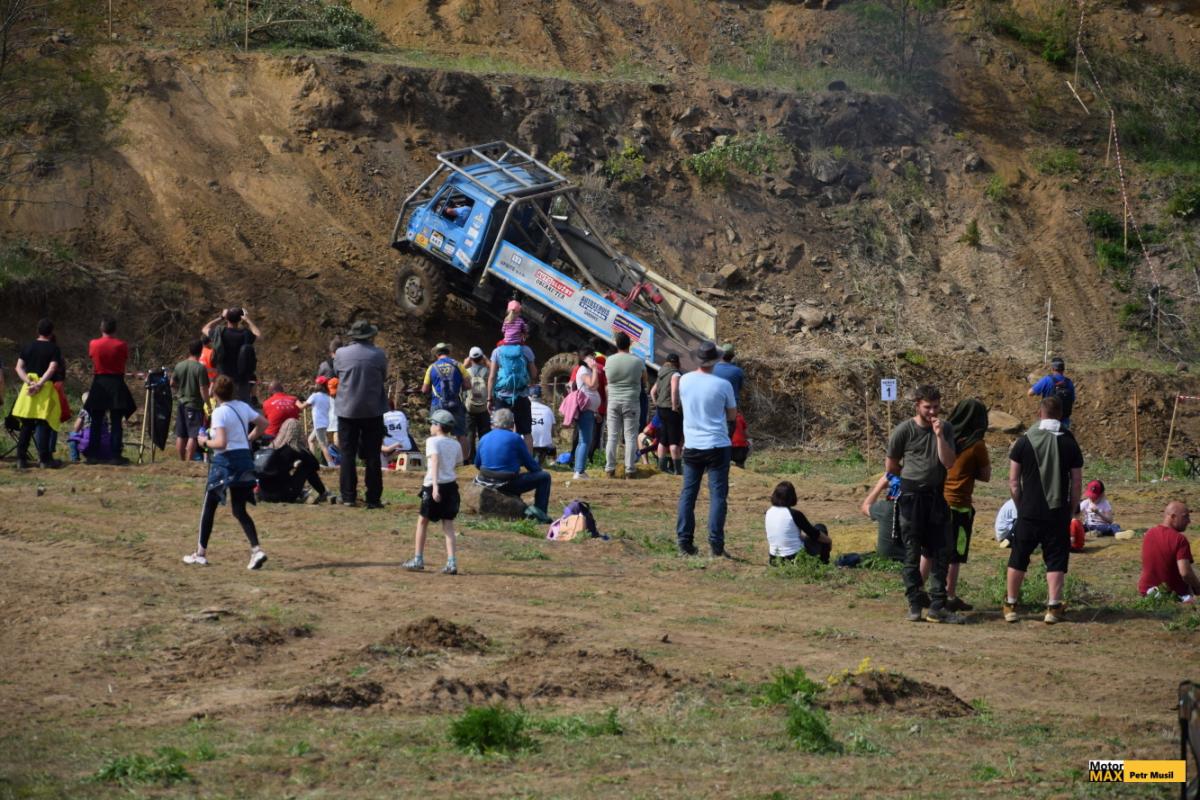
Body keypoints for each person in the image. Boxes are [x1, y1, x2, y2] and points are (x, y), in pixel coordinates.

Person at [1004, 396, 1084, 624]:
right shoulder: (1069, 442)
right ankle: (1053, 608)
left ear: (1040, 413)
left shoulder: (1024, 441)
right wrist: (1071, 509)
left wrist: (1021, 506)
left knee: (1019, 556)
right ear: (1061, 415)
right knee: (1056, 558)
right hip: (1057, 511)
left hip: (1029, 510)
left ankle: (1010, 605)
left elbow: (1013, 482)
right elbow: (1077, 482)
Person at [885, 384, 957, 623]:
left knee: (941, 551)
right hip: (911, 498)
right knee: (911, 552)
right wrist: (909, 480)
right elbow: (891, 466)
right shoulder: (903, 430)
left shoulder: (946, 429)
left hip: (936, 497)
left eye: (936, 406)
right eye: (927, 407)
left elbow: (948, 463)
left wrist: (939, 436)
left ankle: (937, 604)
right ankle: (915, 603)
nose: (932, 412)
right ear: (917, 405)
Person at [184, 375, 268, 569]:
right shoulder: (242, 406)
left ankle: (200, 553)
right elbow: (263, 424)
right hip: (244, 460)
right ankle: (256, 550)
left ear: (214, 393)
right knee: (239, 510)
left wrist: (204, 442)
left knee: (209, 506)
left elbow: (221, 443)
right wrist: (248, 439)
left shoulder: (219, 413)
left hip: (225, 463)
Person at [675, 341, 737, 558]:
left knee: (688, 494)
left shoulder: (684, 380)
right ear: (716, 360)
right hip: (717, 444)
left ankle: (684, 541)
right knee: (718, 496)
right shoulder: (723, 385)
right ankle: (716, 545)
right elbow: (732, 415)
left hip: (692, 444)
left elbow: (679, 404)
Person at [936, 398, 991, 612]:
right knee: (955, 554)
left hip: (937, 499)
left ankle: (924, 592)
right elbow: (986, 475)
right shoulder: (976, 445)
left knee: (932, 550)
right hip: (959, 503)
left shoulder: (944, 437)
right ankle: (949, 595)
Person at [334, 320, 389, 509]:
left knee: (347, 454)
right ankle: (373, 498)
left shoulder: (341, 353)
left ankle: (348, 496)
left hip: (347, 410)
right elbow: (383, 377)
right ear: (370, 336)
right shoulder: (379, 354)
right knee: (373, 455)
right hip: (373, 410)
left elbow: (337, 374)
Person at [403, 409, 464, 575]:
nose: (430, 426)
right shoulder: (456, 444)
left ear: (438, 426)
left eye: (432, 423)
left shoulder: (432, 441)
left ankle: (418, 559)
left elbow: (435, 461)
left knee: (423, 521)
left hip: (433, 485)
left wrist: (435, 487)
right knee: (448, 524)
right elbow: (459, 461)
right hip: (451, 486)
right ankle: (451, 562)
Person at [474, 408, 553, 523]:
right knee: (545, 477)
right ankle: (540, 514)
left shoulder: (484, 438)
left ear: (493, 424)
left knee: (514, 472)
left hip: (485, 481)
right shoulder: (515, 438)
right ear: (512, 424)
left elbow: (477, 464)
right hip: (506, 482)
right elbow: (532, 466)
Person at [82, 317, 136, 465]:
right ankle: (115, 455)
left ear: (101, 328)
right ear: (115, 329)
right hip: (116, 382)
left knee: (96, 421)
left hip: (99, 382)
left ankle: (93, 455)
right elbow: (124, 359)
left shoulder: (94, 343)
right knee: (116, 422)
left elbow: (92, 356)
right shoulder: (121, 345)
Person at [13, 319, 64, 469]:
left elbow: (18, 367)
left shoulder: (28, 346)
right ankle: (44, 459)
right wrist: (40, 383)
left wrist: (29, 382)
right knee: (44, 423)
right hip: (44, 388)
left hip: (29, 389)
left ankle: (21, 459)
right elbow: (52, 368)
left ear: (38, 331)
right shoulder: (54, 348)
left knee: (27, 424)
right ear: (51, 332)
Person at [603, 331, 646, 478]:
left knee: (612, 437)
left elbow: (607, 379)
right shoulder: (637, 361)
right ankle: (629, 470)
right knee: (630, 437)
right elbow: (644, 380)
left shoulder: (609, 360)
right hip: (631, 401)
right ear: (630, 344)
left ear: (616, 344)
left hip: (613, 401)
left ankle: (609, 468)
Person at [1138, 501, 1200, 601]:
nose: (1189, 521)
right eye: (1185, 517)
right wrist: (1198, 588)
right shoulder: (1179, 539)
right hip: (1171, 594)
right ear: (1173, 517)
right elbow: (1185, 573)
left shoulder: (1149, 533)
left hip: (1146, 591)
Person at [257, 419, 328, 504]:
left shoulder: (272, 447)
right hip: (283, 495)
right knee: (307, 466)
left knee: (283, 474)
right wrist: (305, 450)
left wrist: (291, 465)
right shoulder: (295, 449)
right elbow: (315, 465)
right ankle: (323, 492)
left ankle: (315, 492)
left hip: (263, 494)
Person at [487, 338, 539, 451]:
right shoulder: (526, 350)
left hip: (502, 397)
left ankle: (500, 457)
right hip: (521, 396)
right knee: (526, 433)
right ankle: (527, 460)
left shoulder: (497, 351)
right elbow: (534, 374)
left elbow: (492, 377)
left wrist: (489, 398)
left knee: (499, 431)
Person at [201, 307, 262, 403]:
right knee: (242, 407)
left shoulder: (219, 333)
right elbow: (258, 334)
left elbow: (205, 328)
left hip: (223, 380)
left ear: (227, 318)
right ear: (240, 319)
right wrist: (247, 319)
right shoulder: (245, 334)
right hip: (241, 380)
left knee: (223, 406)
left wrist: (221, 317)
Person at [765, 480, 832, 565]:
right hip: (794, 558)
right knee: (820, 528)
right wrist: (829, 541)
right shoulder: (794, 514)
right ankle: (823, 564)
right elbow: (814, 534)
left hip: (774, 559)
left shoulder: (769, 512)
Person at [422, 343, 469, 455]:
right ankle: (465, 461)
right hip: (455, 402)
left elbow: (424, 389)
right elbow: (468, 385)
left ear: (437, 354)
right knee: (461, 434)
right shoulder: (459, 365)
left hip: (438, 403)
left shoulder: (432, 367)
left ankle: (436, 458)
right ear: (449, 352)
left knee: (435, 432)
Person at [171, 340, 211, 462]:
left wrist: (180, 391)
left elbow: (172, 383)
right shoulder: (200, 368)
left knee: (181, 434)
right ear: (201, 351)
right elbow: (203, 389)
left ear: (189, 350)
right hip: (194, 405)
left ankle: (181, 461)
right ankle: (189, 462)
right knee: (193, 435)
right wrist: (208, 404)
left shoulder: (179, 365)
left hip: (181, 403)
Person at [570, 349, 602, 480]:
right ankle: (579, 471)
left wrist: (595, 411)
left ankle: (578, 469)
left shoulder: (587, 370)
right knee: (585, 441)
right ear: (584, 358)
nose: (594, 358)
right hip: (585, 410)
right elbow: (592, 384)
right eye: (591, 356)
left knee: (583, 441)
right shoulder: (583, 370)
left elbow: (594, 387)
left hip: (590, 410)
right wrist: (594, 369)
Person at [860, 472, 906, 562]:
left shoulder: (883, 507)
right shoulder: (916, 508)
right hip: (911, 558)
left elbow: (865, 507)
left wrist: (879, 486)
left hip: (885, 558)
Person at [652, 352, 683, 475]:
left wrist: (656, 402)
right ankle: (677, 470)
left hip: (661, 409)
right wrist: (675, 406)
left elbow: (653, 391)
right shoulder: (675, 374)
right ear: (677, 363)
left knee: (663, 439)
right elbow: (674, 391)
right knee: (674, 441)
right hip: (671, 409)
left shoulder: (661, 373)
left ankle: (662, 468)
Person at [1029, 356, 1075, 430]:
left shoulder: (1047, 380)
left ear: (1052, 368)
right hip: (1064, 422)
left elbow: (1030, 393)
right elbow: (1072, 400)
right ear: (1063, 369)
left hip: (1048, 422)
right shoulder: (1069, 383)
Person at [463, 346, 491, 461]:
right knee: (484, 433)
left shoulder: (466, 372)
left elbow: (457, 377)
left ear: (470, 359)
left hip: (469, 407)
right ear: (482, 358)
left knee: (469, 433)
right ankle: (484, 458)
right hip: (484, 407)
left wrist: (464, 365)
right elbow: (497, 373)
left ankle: (469, 459)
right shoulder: (487, 372)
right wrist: (487, 361)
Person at [298, 376, 334, 465]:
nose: (315, 385)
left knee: (323, 445)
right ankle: (313, 461)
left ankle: (331, 464)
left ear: (319, 385)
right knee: (310, 440)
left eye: (316, 384)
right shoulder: (327, 397)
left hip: (319, 424)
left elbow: (301, 407)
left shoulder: (314, 396)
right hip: (325, 423)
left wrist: (296, 401)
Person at [528, 385, 556, 466]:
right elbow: (552, 431)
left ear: (528, 397)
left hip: (526, 444)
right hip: (544, 445)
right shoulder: (548, 410)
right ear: (541, 397)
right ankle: (543, 461)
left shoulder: (524, 408)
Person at [381, 400, 414, 466]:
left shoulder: (382, 416)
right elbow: (406, 429)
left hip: (389, 446)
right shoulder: (401, 414)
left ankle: (384, 464)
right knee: (408, 436)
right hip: (406, 445)